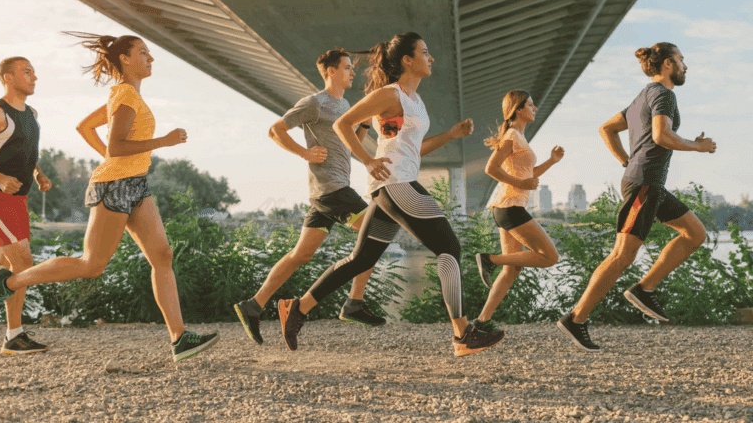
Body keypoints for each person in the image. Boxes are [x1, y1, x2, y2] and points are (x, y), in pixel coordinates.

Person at [0, 33, 219, 361]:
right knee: (91, 264)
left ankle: (180, 338)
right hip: (113, 187)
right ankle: (9, 283)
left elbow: (85, 128)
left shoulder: (126, 96)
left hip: (135, 183)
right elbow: (117, 146)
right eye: (143, 53)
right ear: (124, 59)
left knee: (162, 255)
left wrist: (114, 159)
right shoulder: (124, 96)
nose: (150, 58)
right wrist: (161, 142)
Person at [278, 32, 505, 357]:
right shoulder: (390, 94)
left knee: (362, 259)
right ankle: (462, 333)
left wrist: (452, 134)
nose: (431, 58)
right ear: (407, 61)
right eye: (425, 52)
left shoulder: (415, 102)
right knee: (449, 246)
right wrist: (369, 160)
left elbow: (416, 148)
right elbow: (344, 123)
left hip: (397, 183)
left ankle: (297, 308)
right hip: (395, 184)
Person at [557, 42, 716, 352]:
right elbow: (661, 136)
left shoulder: (643, 95)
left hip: (649, 183)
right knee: (622, 255)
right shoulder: (664, 95)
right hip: (644, 184)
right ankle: (575, 319)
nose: (686, 66)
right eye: (681, 60)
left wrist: (625, 161)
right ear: (668, 64)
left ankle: (644, 288)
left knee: (695, 233)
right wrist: (698, 146)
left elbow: (607, 128)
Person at [234, 48, 384, 345]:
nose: (353, 72)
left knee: (301, 255)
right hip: (332, 188)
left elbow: (355, 138)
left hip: (325, 193)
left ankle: (253, 305)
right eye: (347, 67)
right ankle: (354, 302)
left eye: (352, 67)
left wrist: (367, 117)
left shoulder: (345, 105)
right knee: (377, 231)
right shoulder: (315, 103)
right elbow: (275, 130)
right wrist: (305, 153)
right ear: (331, 71)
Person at [474, 90, 564, 329]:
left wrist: (551, 161)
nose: (535, 109)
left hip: (506, 207)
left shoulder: (519, 137)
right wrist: (519, 184)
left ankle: (482, 321)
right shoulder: (513, 136)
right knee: (550, 257)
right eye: (531, 105)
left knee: (512, 270)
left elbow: (529, 175)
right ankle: (489, 259)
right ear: (518, 109)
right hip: (511, 207)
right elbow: (491, 168)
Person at [0, 57, 51, 354]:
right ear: (7, 78)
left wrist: (39, 173)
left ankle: (14, 333)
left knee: (5, 261)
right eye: (27, 72)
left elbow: (26, 149)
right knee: (22, 263)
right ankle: (14, 335)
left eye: (34, 72)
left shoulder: (32, 114)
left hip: (19, 198)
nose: (34, 77)